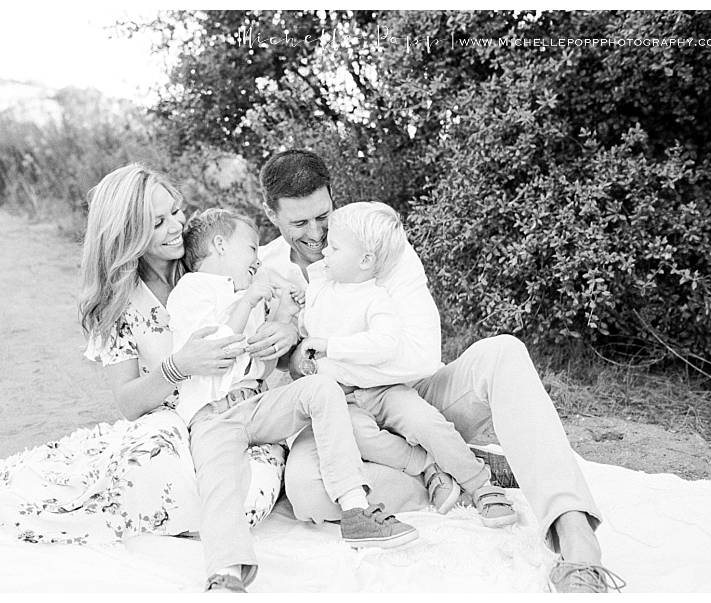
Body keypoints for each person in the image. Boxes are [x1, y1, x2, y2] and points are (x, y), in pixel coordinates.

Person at [257, 149, 625, 593]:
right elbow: (266, 364)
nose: (317, 236)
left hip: (411, 397)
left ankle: (576, 540)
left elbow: (418, 354)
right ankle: (454, 464)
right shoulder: (263, 267)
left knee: (503, 352)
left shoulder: (377, 246)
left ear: (334, 198)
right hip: (336, 418)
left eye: (324, 217)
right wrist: (290, 356)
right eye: (300, 224)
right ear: (271, 214)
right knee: (308, 493)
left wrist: (315, 357)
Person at [165, 207, 418, 592]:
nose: (256, 259)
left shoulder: (241, 295)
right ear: (219, 245)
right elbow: (216, 350)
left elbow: (261, 368)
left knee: (322, 387)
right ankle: (228, 571)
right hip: (212, 415)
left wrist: (285, 311)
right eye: (250, 248)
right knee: (220, 480)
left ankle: (355, 508)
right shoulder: (194, 289)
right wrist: (250, 300)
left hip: (255, 403)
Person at [292, 200, 516, 526]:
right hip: (342, 397)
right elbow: (310, 322)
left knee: (426, 422)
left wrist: (331, 346)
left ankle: (480, 483)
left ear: (366, 260)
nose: (325, 252)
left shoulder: (376, 298)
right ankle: (428, 465)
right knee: (360, 436)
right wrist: (301, 311)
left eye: (335, 247)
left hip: (385, 389)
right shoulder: (323, 284)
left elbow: (384, 344)